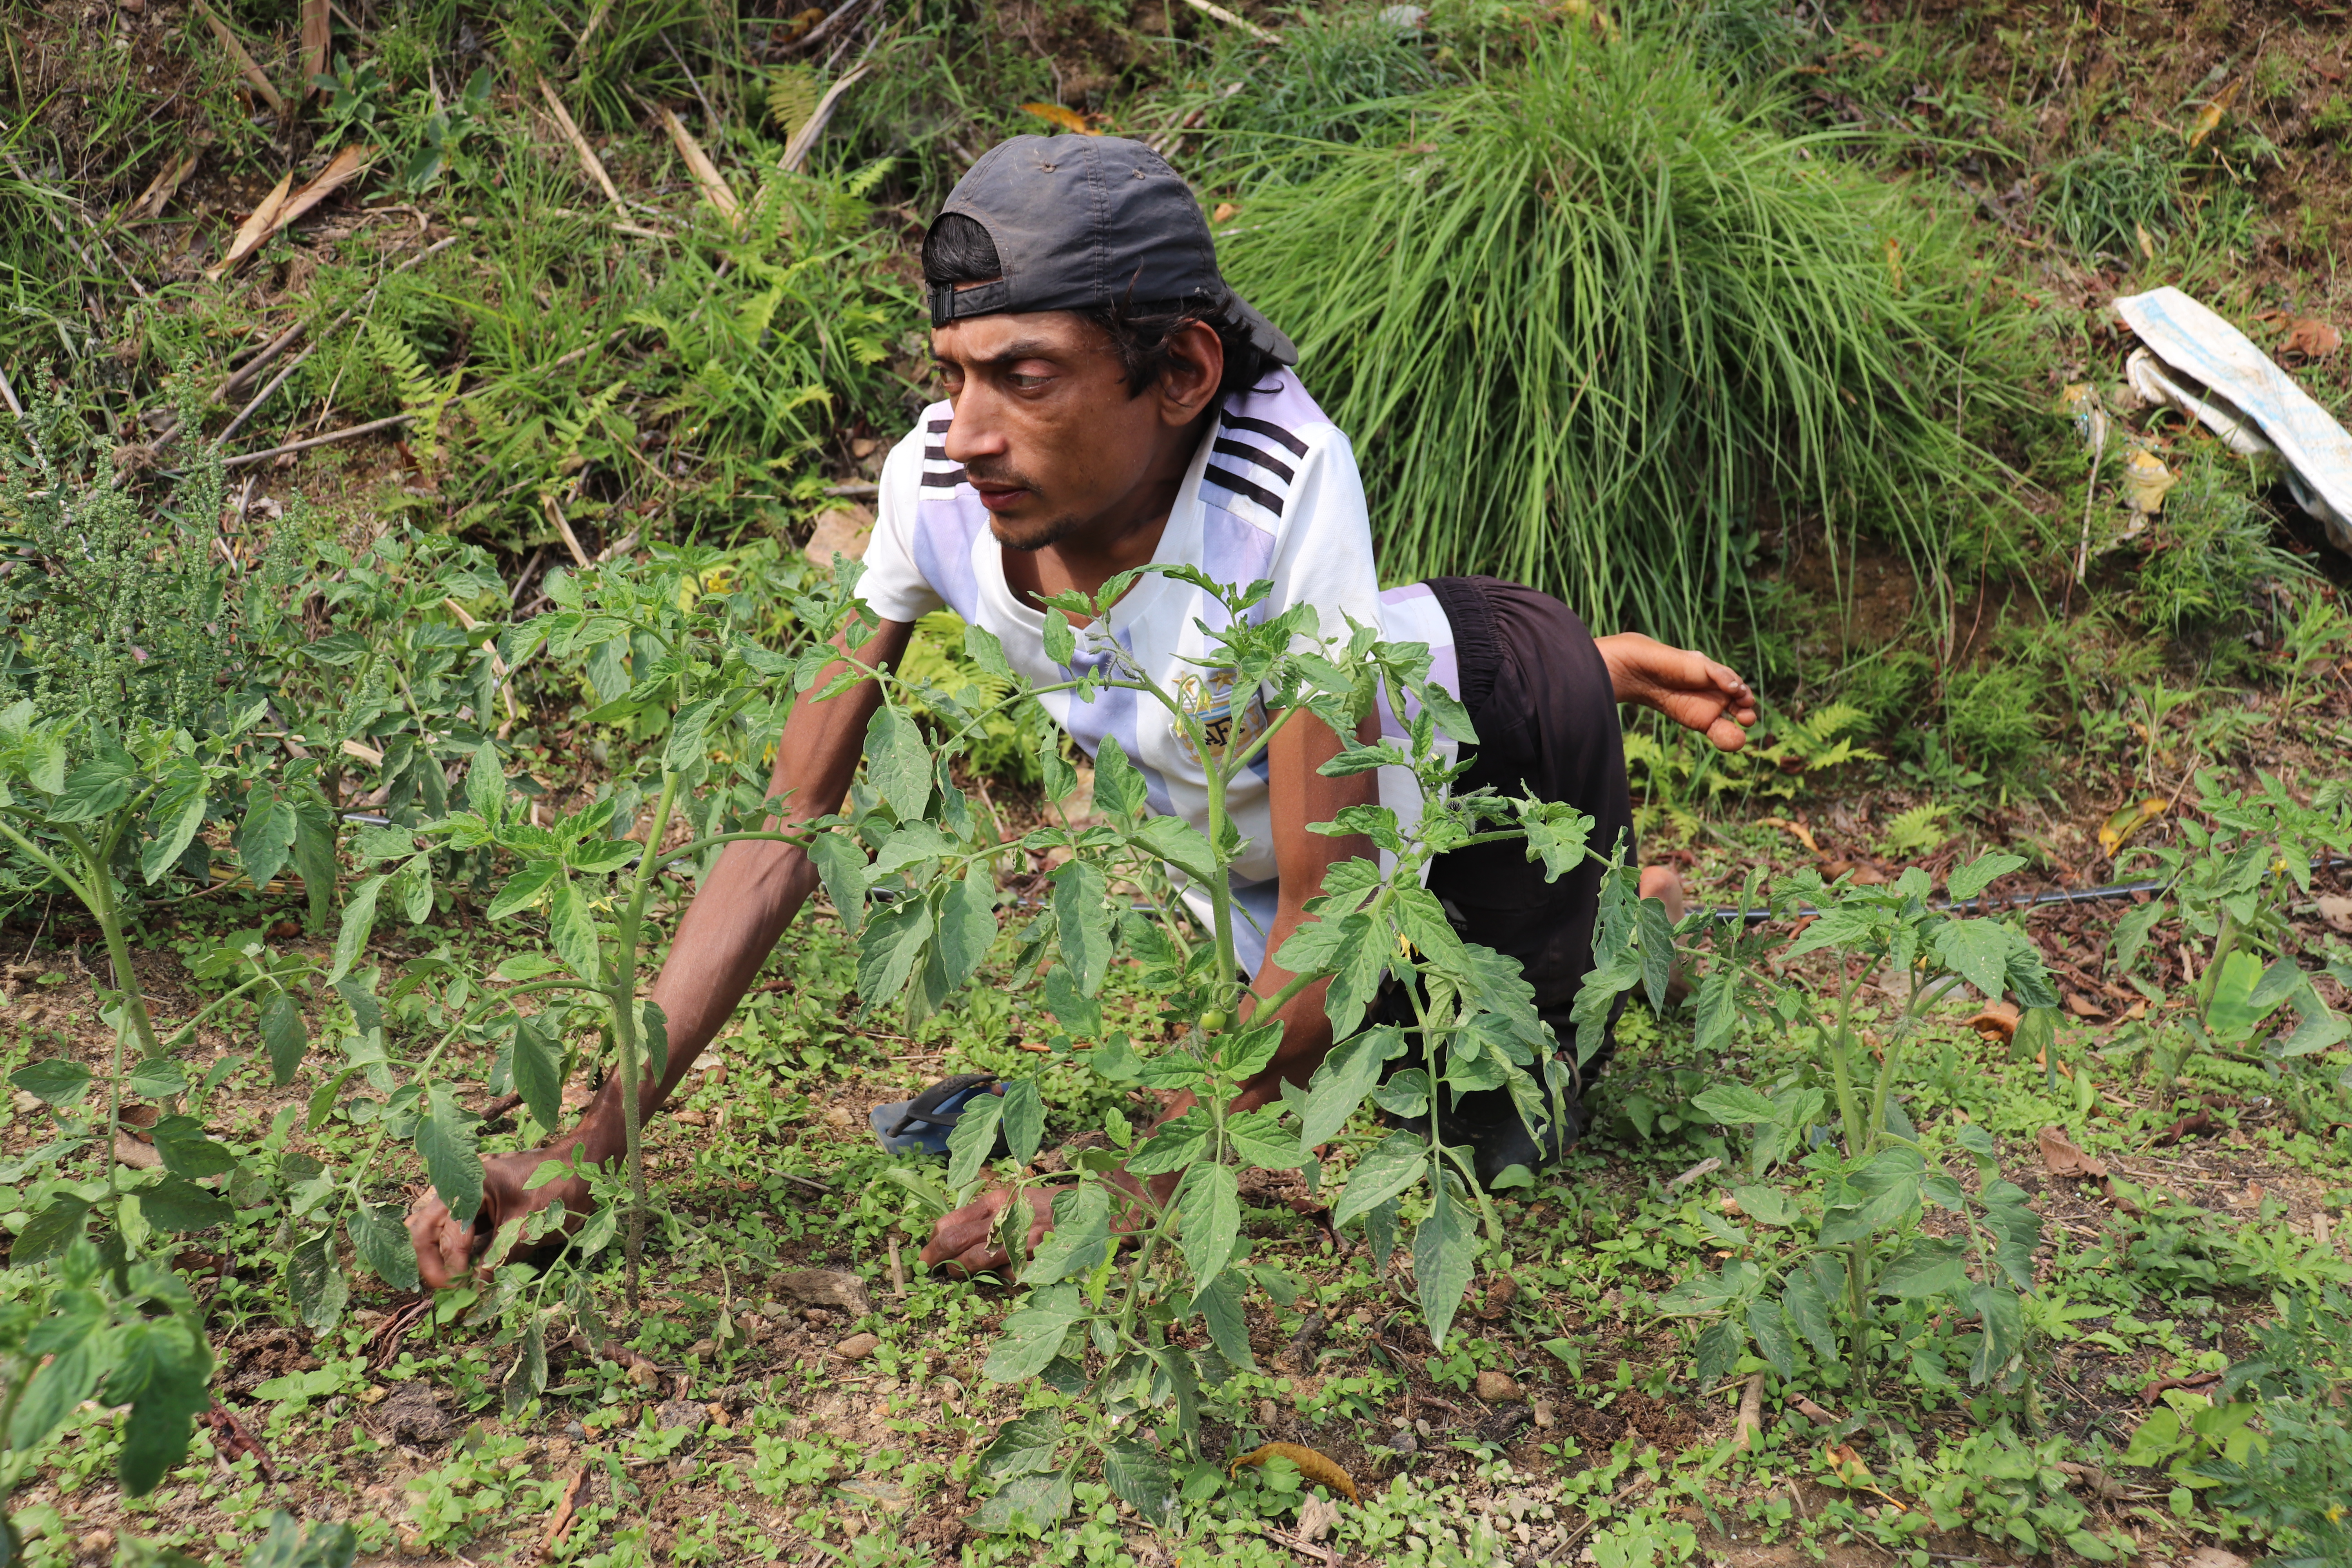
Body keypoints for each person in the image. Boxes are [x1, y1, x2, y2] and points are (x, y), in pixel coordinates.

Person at [407, 135, 1756, 1288]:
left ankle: (1615, 837)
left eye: (1026, 377)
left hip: (1502, 727)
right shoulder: (935, 490)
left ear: (1179, 375)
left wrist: (1115, 1189)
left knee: (1483, 1141)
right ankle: (1609, 789)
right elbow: (786, 826)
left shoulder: (1282, 494)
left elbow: (1331, 916)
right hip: (1285, 796)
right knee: (1318, 1045)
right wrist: (586, 1146)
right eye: (952, 371)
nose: (970, 429)